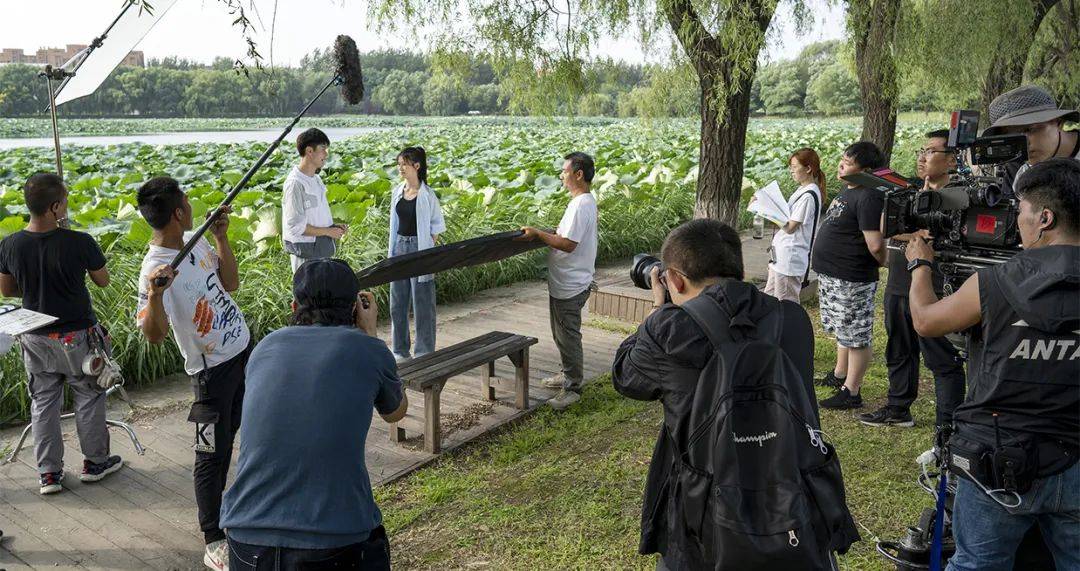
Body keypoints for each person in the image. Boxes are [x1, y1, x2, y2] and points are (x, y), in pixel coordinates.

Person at [612, 219, 819, 569]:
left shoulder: (669, 328)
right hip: (791, 496)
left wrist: (659, 308)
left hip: (703, 508)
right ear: (736, 266)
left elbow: (626, 377)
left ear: (674, 279)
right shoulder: (792, 318)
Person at [905, 158, 1079, 570]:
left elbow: (927, 321)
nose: (1017, 222)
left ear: (1045, 218)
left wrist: (919, 267)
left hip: (995, 458)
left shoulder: (995, 281)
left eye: (1020, 212)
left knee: (977, 564)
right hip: (1074, 455)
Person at [220, 258, 407, 571]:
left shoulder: (265, 347)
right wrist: (371, 332)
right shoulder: (367, 349)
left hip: (245, 535)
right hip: (333, 538)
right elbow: (396, 412)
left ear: (294, 306)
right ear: (354, 308)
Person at [135, 176, 252, 571]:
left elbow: (230, 285)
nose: (191, 205)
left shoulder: (197, 240)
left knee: (234, 434)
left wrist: (220, 237)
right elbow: (154, 335)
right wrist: (154, 295)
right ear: (178, 213)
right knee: (209, 454)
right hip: (209, 374)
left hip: (241, 351)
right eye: (186, 201)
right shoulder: (154, 270)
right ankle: (213, 537)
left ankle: (231, 509)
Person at [0, 173, 122, 495]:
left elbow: (8, 290)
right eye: (64, 202)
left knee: (43, 403)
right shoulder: (80, 242)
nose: (67, 206)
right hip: (78, 336)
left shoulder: (10, 244)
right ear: (55, 207)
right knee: (88, 397)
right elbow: (103, 280)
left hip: (36, 337)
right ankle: (95, 463)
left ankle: (49, 474)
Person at [859, 130, 966, 429]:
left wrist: (914, 234)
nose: (922, 157)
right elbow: (885, 227)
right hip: (898, 283)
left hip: (934, 287)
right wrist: (914, 234)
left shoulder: (960, 196)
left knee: (941, 358)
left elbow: (940, 236)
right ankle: (898, 408)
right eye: (922, 150)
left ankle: (949, 425)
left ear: (952, 160)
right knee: (899, 348)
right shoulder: (909, 190)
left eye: (931, 151)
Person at [811, 141, 888, 410]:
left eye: (848, 162)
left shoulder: (869, 195)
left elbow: (876, 244)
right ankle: (840, 373)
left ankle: (852, 391)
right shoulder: (849, 189)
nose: (840, 165)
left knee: (856, 334)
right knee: (843, 329)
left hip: (852, 276)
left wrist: (881, 262)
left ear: (865, 170)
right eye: (842, 159)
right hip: (833, 274)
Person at [520, 152, 599, 411]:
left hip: (571, 284)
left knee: (568, 336)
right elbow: (567, 235)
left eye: (565, 171)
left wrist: (538, 234)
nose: (561, 175)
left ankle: (573, 387)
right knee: (561, 334)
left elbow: (568, 244)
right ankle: (567, 374)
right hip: (568, 281)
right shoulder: (582, 202)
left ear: (578, 174)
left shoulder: (581, 204)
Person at [388, 146, 446, 361]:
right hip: (399, 248)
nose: (400, 168)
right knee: (397, 303)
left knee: (423, 304)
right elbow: (394, 226)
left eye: (404, 164)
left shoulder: (428, 195)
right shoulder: (397, 192)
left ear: (417, 166)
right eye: (399, 164)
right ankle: (400, 351)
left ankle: (424, 352)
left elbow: (436, 229)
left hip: (419, 250)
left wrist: (426, 253)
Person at [982, 85, 1079, 189]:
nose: (1023, 143)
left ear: (1058, 122)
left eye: (1030, 129)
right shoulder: (1016, 167)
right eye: (1011, 136)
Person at [282, 128, 347, 273]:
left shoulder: (316, 179)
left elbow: (316, 216)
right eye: (323, 149)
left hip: (322, 251)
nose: (326, 154)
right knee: (307, 295)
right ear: (309, 151)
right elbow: (295, 227)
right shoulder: (295, 184)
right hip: (306, 254)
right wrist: (328, 232)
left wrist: (333, 227)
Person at [765, 147, 825, 303]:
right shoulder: (802, 189)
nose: (791, 171)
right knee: (769, 301)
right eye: (790, 168)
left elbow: (791, 227)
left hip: (789, 259)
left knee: (785, 305)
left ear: (808, 168)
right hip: (781, 258)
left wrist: (767, 211)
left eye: (794, 167)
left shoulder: (808, 196)